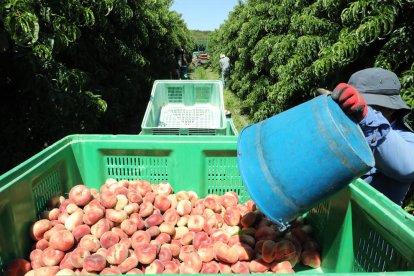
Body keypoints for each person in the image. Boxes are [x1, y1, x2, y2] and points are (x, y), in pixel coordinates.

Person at [331, 67, 414, 206]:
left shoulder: (406, 138)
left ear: (390, 109)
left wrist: (365, 115)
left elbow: (407, 167)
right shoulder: (347, 131)